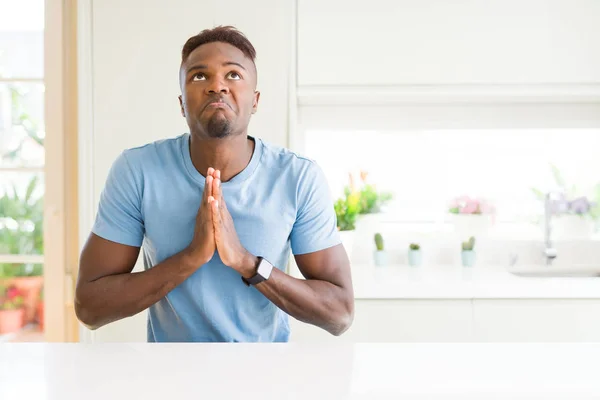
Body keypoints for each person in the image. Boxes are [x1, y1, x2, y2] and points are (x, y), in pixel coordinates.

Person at [74, 26, 354, 342]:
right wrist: (191, 257)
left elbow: (339, 314)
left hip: (266, 380)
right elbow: (89, 307)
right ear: (182, 104)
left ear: (255, 100)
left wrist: (247, 263)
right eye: (199, 76)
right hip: (170, 380)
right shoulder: (137, 170)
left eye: (233, 75)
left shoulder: (298, 177)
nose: (216, 86)